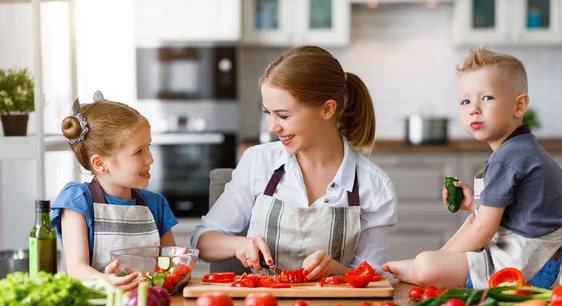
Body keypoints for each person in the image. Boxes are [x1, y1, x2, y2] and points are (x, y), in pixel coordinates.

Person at [382, 45, 562, 289]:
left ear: (519, 106)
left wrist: (437, 261)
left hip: (524, 267)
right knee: (470, 223)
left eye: (487, 98)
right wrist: (474, 205)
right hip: (540, 262)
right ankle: (428, 265)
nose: (474, 109)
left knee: (428, 263)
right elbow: (512, 213)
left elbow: (485, 229)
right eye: (466, 101)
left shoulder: (508, 156)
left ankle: (423, 268)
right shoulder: (521, 148)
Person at [192, 46, 398, 280]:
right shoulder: (258, 162)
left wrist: (336, 270)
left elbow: (374, 278)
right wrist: (241, 244)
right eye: (267, 113)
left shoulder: (374, 185)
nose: (272, 127)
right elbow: (202, 240)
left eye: (283, 116)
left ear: (327, 109)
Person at [51, 91, 178, 289]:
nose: (150, 159)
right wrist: (105, 281)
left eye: (149, 147)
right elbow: (77, 269)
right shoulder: (77, 201)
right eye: (138, 152)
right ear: (100, 163)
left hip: (151, 303)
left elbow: (171, 265)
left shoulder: (156, 204)